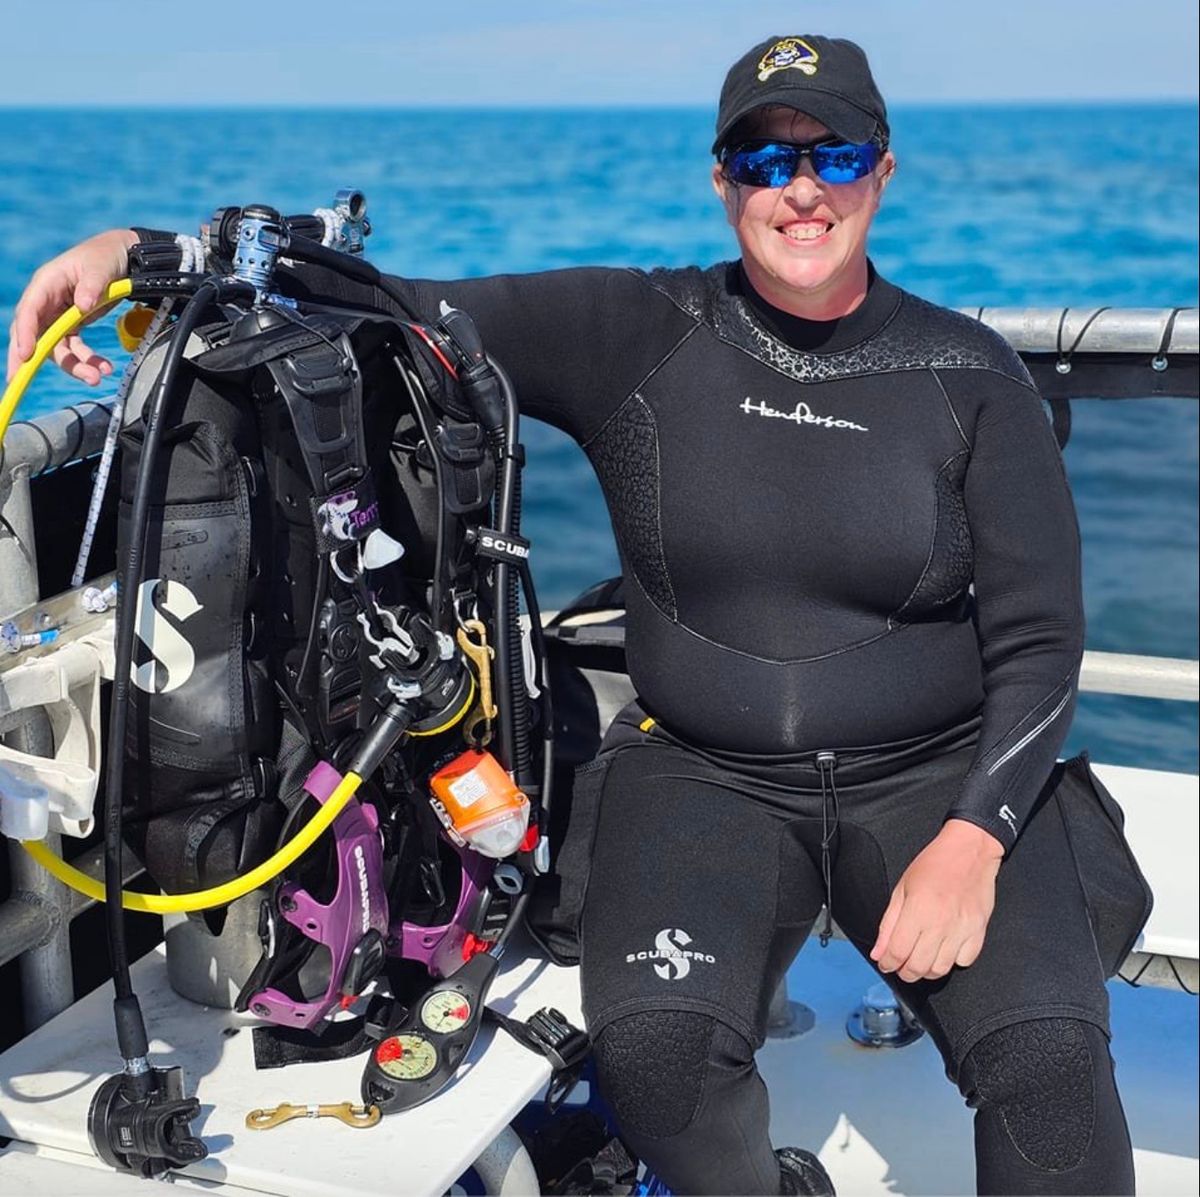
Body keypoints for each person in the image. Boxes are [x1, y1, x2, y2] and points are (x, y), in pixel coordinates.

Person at [6, 34, 1136, 1197]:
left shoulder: (969, 373)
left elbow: (1043, 639)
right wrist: (138, 256)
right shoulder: (635, 331)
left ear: (882, 174)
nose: (800, 188)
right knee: (658, 1063)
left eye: (833, 155)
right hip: (705, 774)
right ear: (721, 182)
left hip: (939, 776)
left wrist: (975, 837)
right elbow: (387, 304)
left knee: (1050, 1068)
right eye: (762, 158)